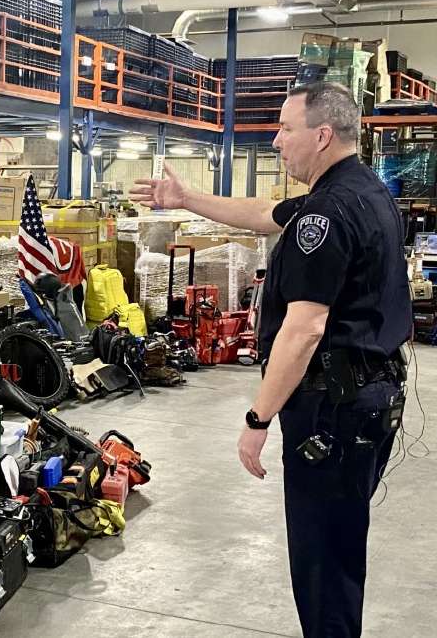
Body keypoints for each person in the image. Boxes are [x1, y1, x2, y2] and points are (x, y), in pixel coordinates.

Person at [130, 82, 411, 638]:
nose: (277, 141)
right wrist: (185, 200)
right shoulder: (363, 191)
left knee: (322, 558)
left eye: (286, 129)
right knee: (339, 545)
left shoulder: (326, 214)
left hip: (334, 409)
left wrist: (258, 419)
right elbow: (261, 213)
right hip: (369, 400)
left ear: (322, 134)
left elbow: (304, 329)